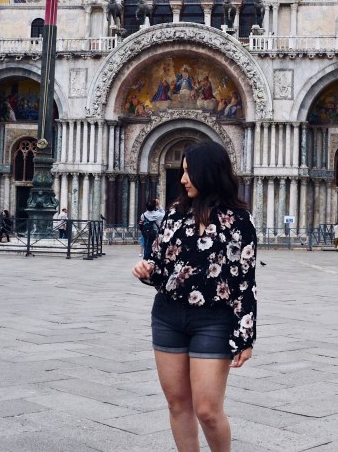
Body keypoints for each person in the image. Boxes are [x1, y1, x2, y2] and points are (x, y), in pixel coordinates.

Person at [131, 141, 256, 452]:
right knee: (178, 404)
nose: (182, 179)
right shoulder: (174, 215)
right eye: (182, 171)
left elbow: (245, 281)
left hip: (214, 320)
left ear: (209, 174)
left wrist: (246, 336)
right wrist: (147, 269)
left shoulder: (240, 221)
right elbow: (162, 269)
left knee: (208, 411)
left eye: (189, 172)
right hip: (168, 316)